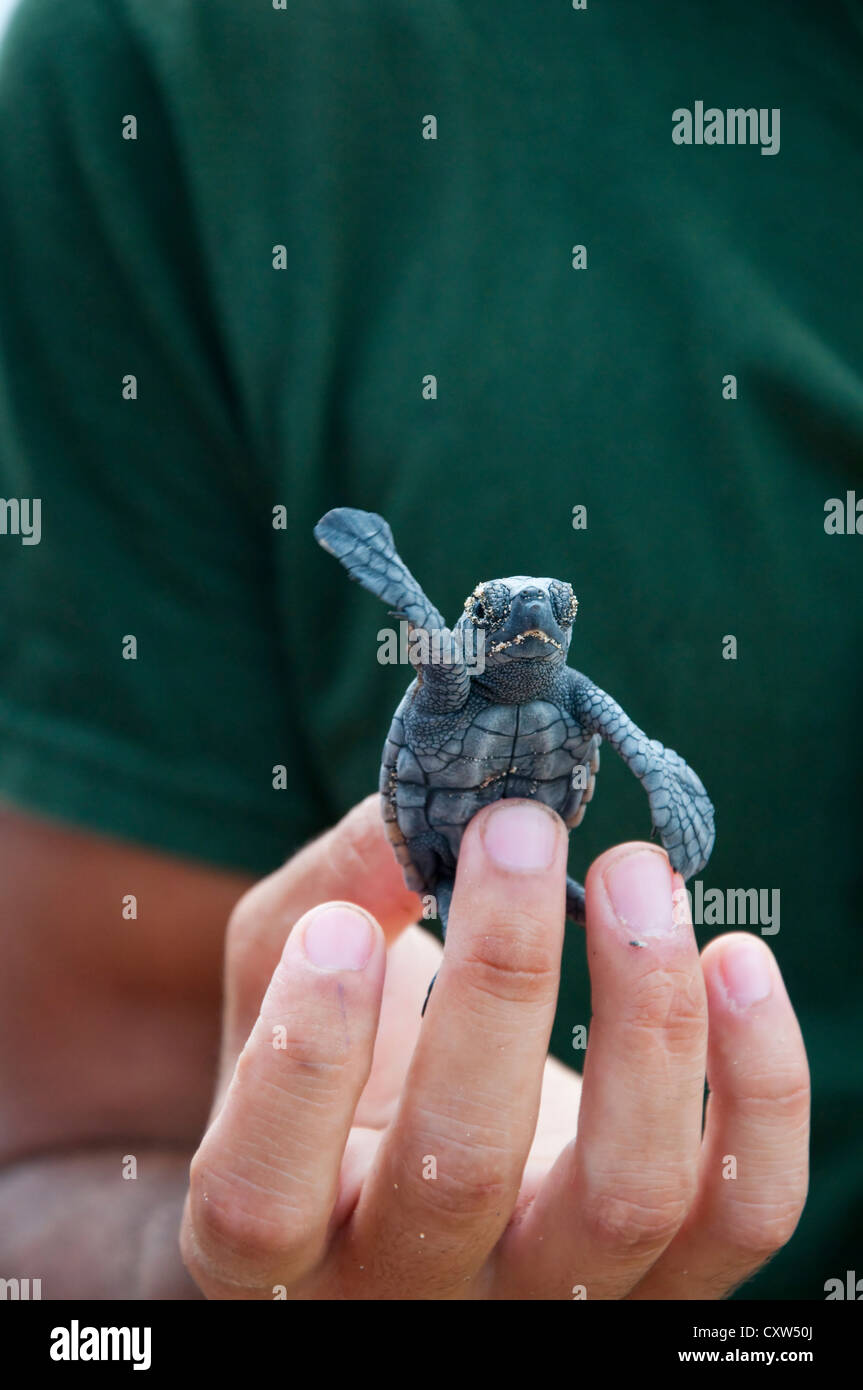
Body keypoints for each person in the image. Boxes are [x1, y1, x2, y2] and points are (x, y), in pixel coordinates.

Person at [1, 0, 857, 1299]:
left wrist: (652, 767)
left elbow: (622, 741)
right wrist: (227, 1283)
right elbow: (60, 1161)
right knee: (462, 904)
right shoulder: (190, 61)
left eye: (543, 621)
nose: (532, 633)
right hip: (444, 836)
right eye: (515, 620)